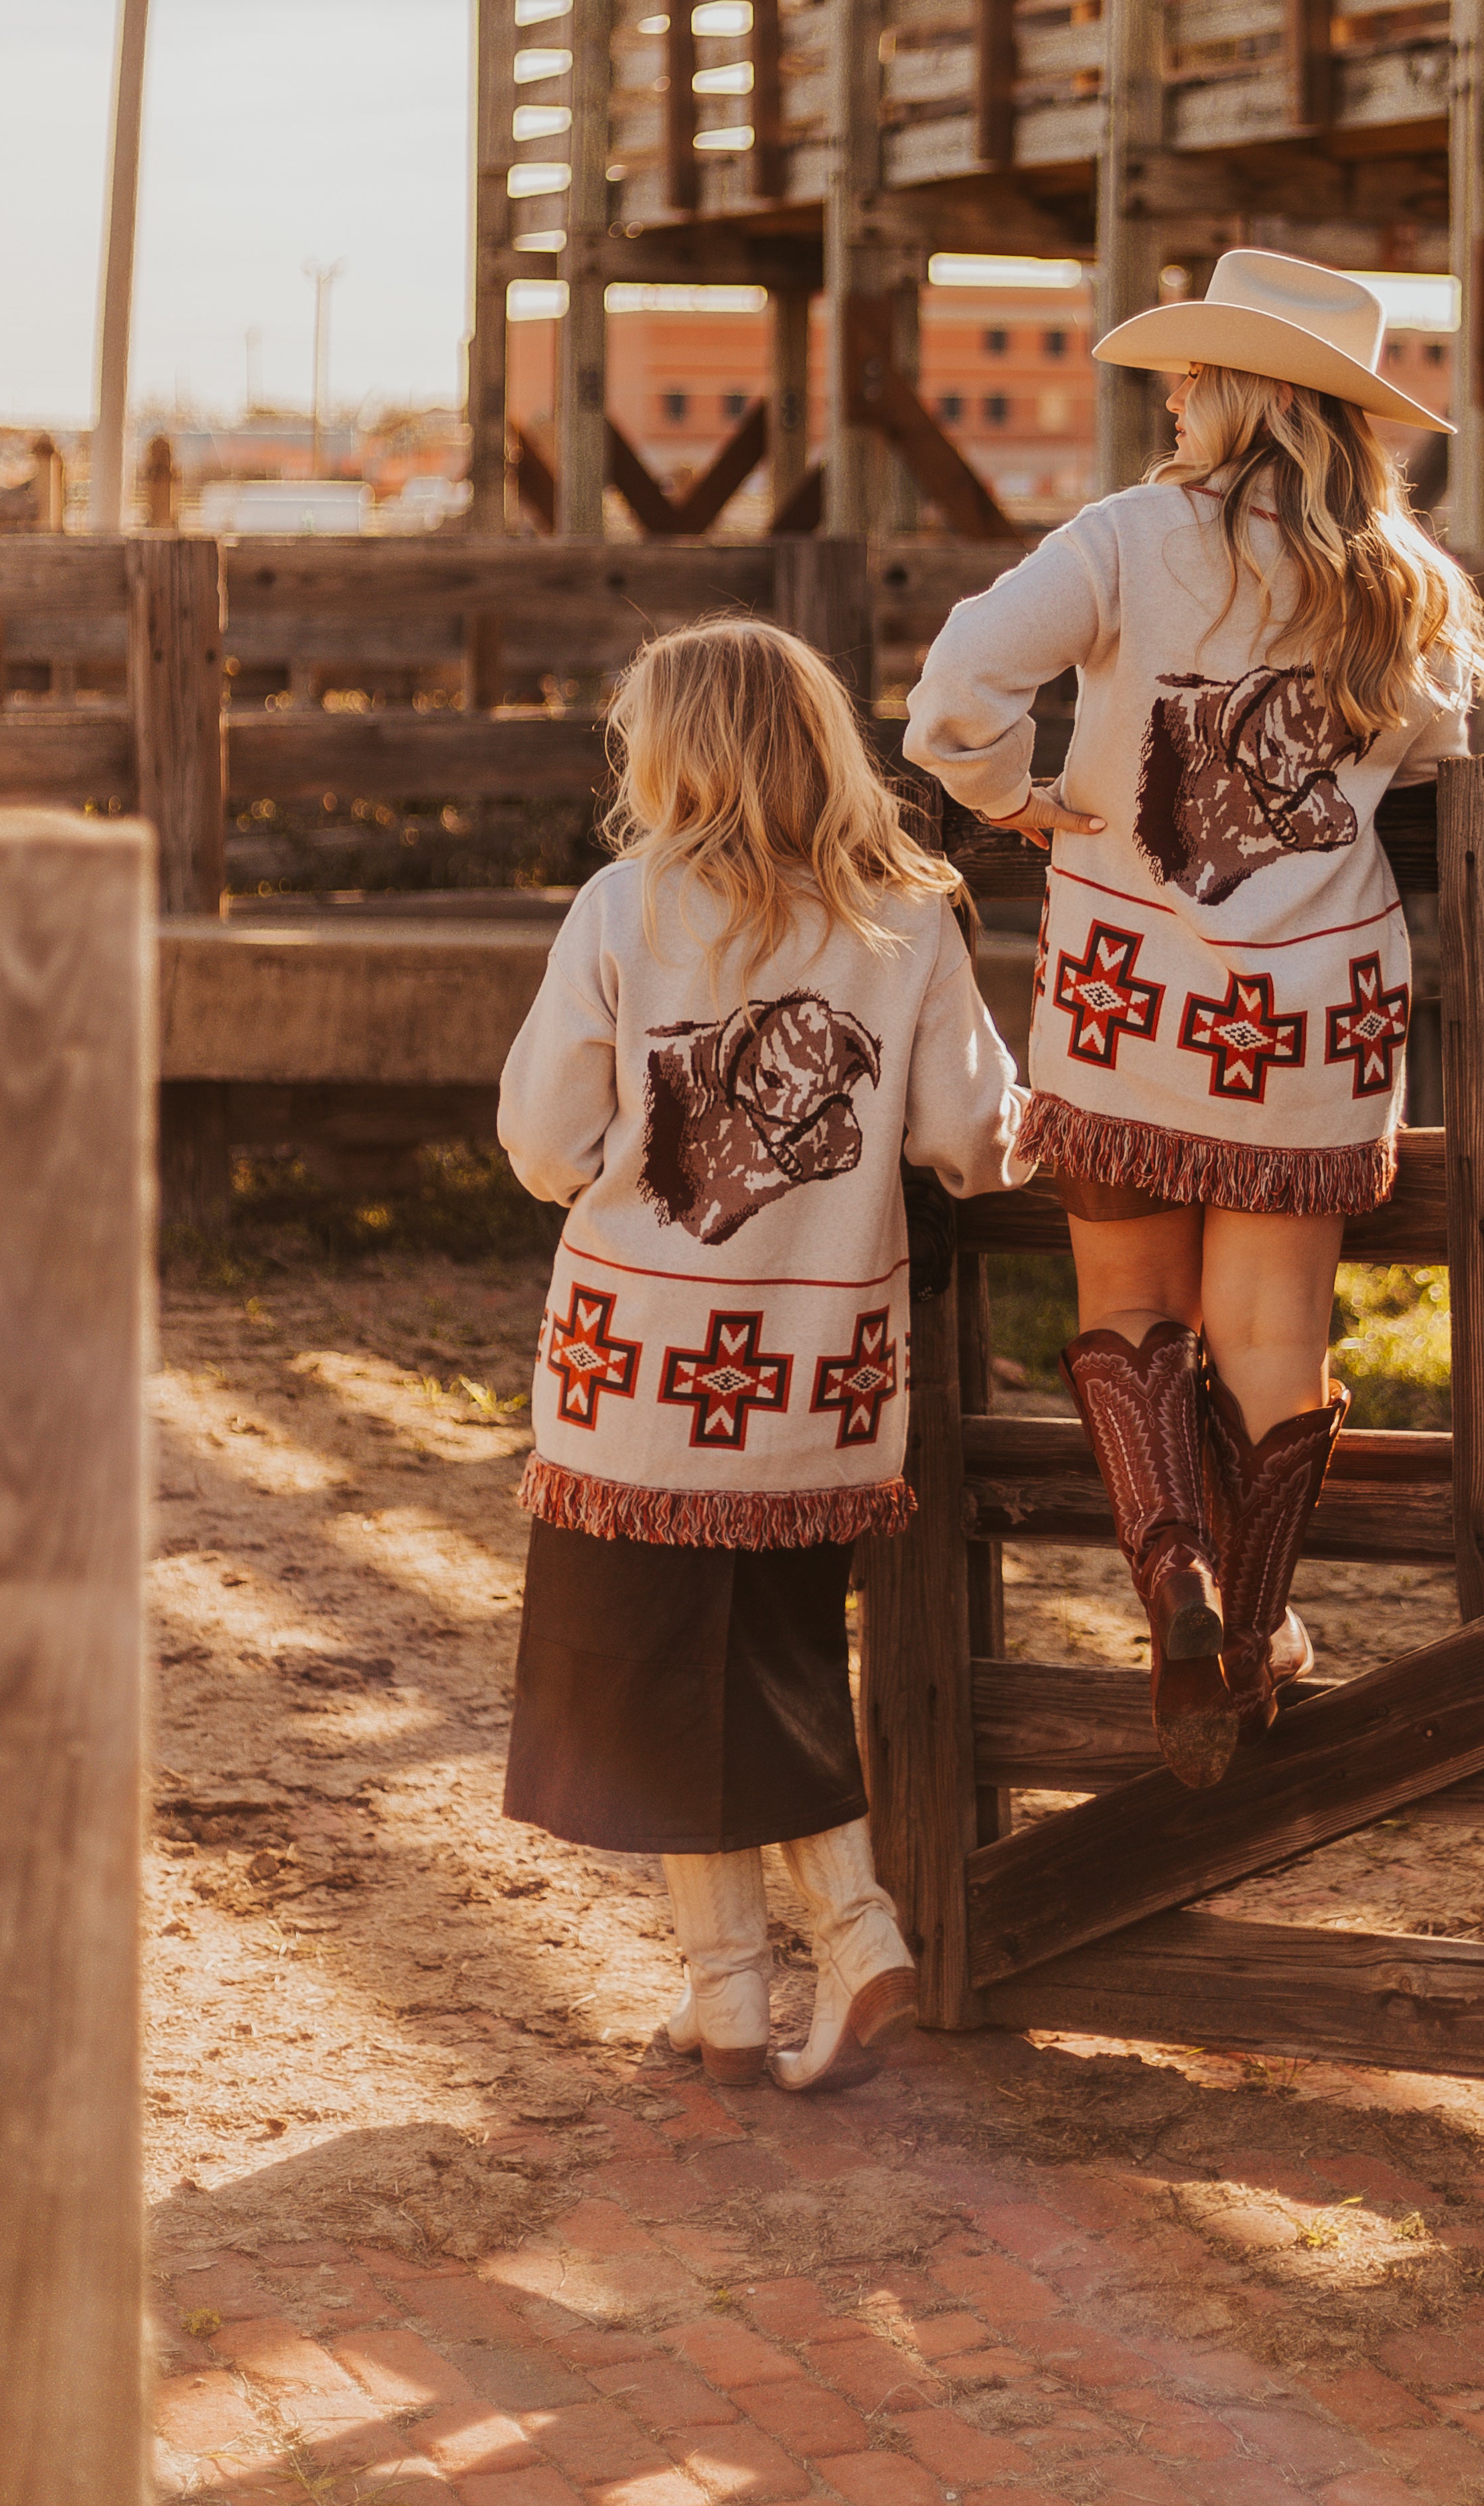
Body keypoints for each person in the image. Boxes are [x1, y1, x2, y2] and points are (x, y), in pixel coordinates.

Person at [905, 250, 1484, 1791]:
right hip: (1314, 1014)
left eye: (1186, 375)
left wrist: (1015, 801)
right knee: (1272, 1334)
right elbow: (1438, 752)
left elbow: (955, 691)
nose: (1166, 396)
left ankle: (1175, 1581)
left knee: (1132, 1311)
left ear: (1235, 392)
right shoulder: (1397, 578)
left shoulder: (1121, 540)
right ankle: (1257, 1640)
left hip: (1128, 990)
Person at [497, 618, 1024, 2089]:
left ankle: (856, 1938)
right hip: (811, 1379)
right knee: (760, 1659)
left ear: (677, 752)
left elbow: (543, 1141)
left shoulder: (623, 906)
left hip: (642, 1375)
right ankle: (726, 1994)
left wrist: (596, 1172)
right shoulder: (908, 914)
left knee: (666, 1672)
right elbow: (967, 1140)